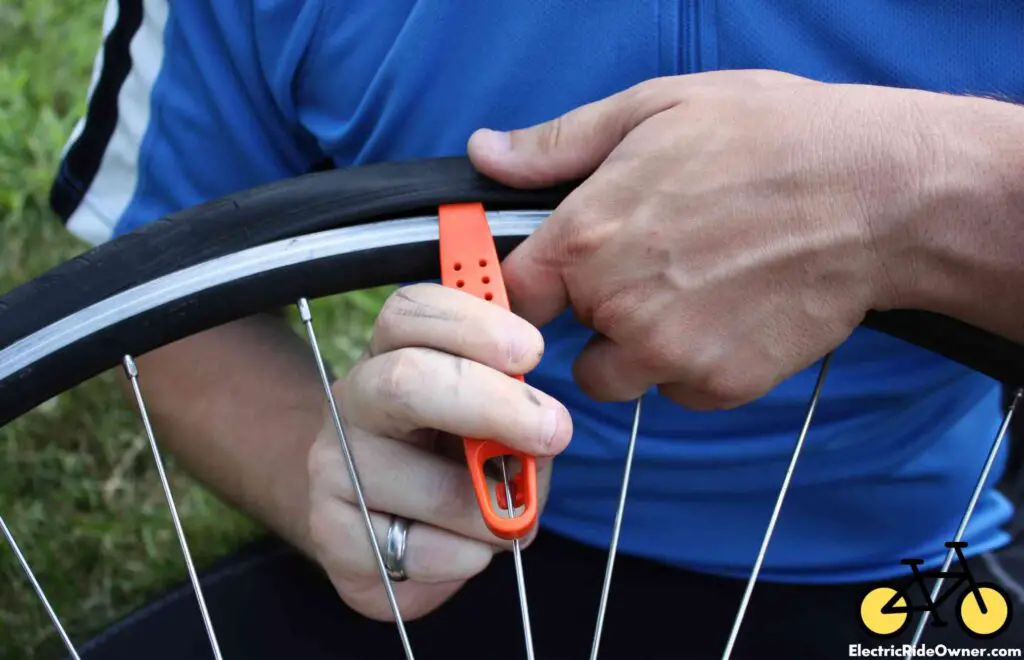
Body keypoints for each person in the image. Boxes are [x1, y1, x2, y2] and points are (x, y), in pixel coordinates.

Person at [52, 2, 1024, 658]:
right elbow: (159, 302)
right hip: (469, 560)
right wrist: (339, 485)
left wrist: (910, 191)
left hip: (910, 562)